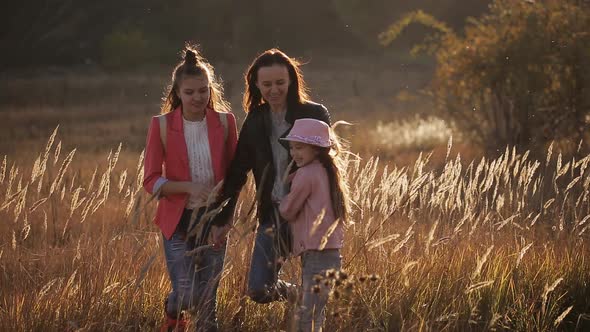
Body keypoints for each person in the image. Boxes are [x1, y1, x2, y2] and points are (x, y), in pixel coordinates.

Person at [211, 48, 331, 304]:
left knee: (316, 294)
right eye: (267, 84)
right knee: (259, 290)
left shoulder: (314, 114)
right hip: (273, 215)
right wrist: (223, 216)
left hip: (310, 214)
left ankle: (309, 308)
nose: (273, 90)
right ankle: (295, 294)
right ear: (256, 84)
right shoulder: (255, 120)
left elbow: (329, 163)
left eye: (280, 83)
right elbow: (238, 171)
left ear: (291, 81)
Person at [143, 46, 237, 332]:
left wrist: (227, 219)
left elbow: (236, 176)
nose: (198, 97)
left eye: (203, 90)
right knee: (187, 295)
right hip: (177, 223)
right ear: (177, 93)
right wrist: (187, 187)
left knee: (208, 308)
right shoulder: (160, 125)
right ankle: (173, 310)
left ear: (211, 90)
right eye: (190, 92)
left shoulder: (225, 121)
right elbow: (150, 180)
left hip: (214, 222)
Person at [279, 118, 350, 332]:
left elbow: (288, 210)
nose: (294, 153)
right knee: (316, 315)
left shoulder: (306, 174)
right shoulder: (329, 172)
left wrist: (280, 201)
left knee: (306, 317)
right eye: (292, 147)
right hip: (333, 254)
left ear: (317, 149)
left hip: (315, 255)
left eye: (299, 147)